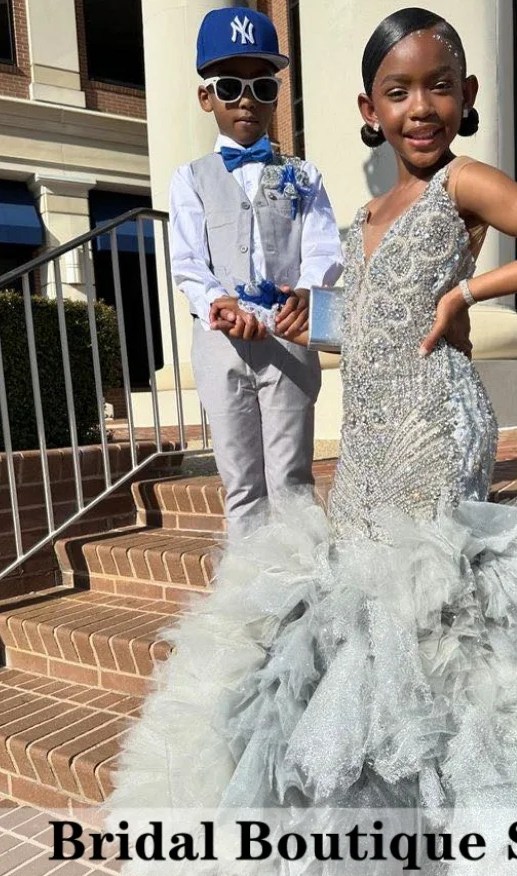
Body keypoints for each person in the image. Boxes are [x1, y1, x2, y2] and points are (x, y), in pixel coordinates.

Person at [109, 9, 517, 876]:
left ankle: (475, 853)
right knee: (363, 627)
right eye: (398, 90)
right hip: (370, 439)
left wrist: (471, 295)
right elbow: (374, 328)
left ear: (466, 97)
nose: (420, 106)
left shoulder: (462, 185)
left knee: (434, 628)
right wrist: (304, 321)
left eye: (438, 85)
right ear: (368, 109)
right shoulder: (363, 216)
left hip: (434, 429)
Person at [169, 6, 343, 538]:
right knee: (241, 483)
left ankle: (302, 581)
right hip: (221, 345)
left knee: (291, 478)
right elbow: (187, 259)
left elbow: (323, 246)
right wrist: (216, 302)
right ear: (207, 97)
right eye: (230, 86)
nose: (247, 99)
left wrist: (309, 290)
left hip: (289, 338)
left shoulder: (303, 175)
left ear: (276, 97)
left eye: (262, 87)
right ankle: (252, 586)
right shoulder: (189, 178)